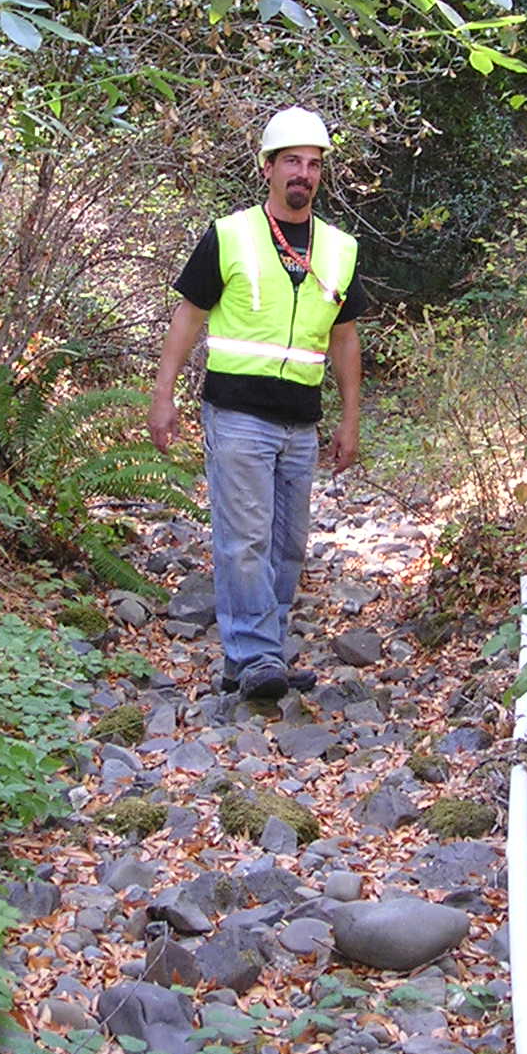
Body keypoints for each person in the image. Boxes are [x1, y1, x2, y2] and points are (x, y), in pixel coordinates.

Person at [148, 106, 369, 702]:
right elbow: (188, 316)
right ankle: (258, 655)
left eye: (314, 164)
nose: (304, 173)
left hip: (301, 421)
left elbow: (345, 338)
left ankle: (249, 656)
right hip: (238, 414)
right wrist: (163, 395)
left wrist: (350, 419)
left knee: (287, 546)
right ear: (267, 167)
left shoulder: (340, 248)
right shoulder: (230, 234)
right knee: (244, 539)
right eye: (292, 161)